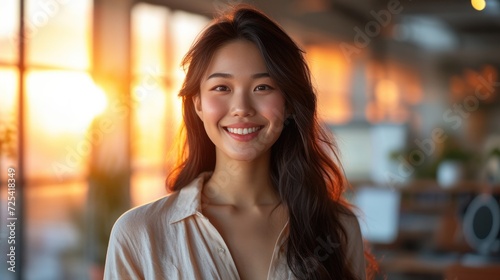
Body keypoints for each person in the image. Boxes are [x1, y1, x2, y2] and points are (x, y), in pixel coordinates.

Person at [104, 4, 376, 280]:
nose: (241, 108)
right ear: (197, 102)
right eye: (222, 88)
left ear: (290, 104)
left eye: (263, 87)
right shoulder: (139, 234)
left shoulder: (337, 227)